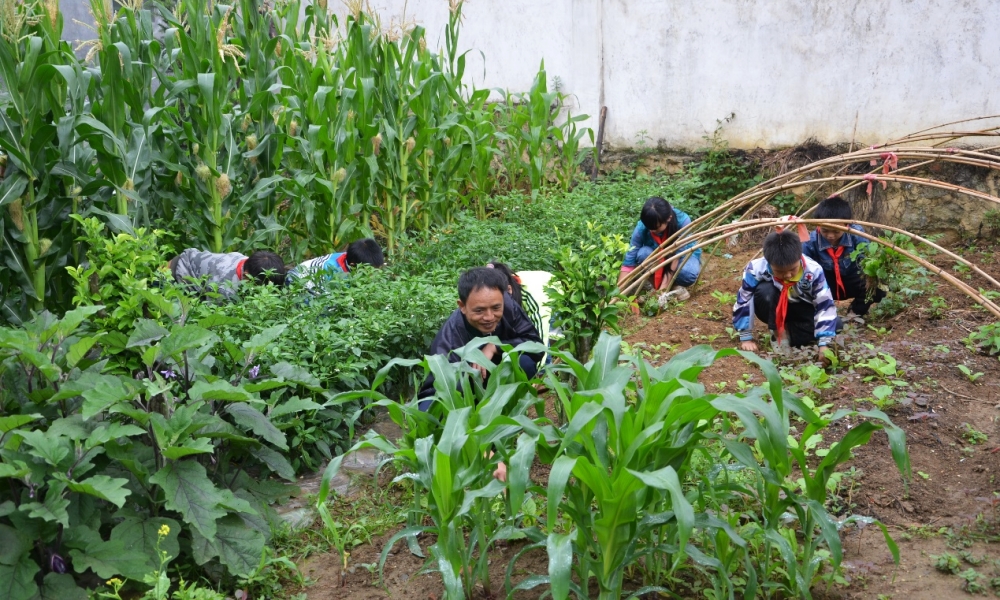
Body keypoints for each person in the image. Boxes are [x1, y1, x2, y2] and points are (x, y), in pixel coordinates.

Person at [418, 267, 543, 410]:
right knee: (431, 407)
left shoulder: (509, 307)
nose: (489, 317)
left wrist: (495, 346)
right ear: (462, 306)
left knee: (524, 362)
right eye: (479, 310)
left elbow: (536, 347)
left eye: (496, 308)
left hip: (498, 376)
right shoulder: (450, 337)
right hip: (469, 388)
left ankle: (508, 408)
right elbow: (436, 388)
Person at [733, 229, 838, 362]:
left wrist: (824, 343)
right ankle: (778, 333)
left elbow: (824, 304)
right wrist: (746, 337)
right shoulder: (756, 268)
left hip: (800, 306)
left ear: (799, 257)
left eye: (793, 269)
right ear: (768, 262)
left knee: (837, 325)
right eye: (780, 271)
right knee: (766, 291)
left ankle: (790, 331)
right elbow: (744, 299)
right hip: (771, 305)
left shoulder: (813, 271)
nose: (788, 275)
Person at [802, 196, 886, 318]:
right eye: (825, 231)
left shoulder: (856, 235)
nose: (830, 236)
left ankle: (856, 312)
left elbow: (869, 259)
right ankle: (822, 314)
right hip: (826, 284)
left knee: (878, 285)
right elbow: (801, 268)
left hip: (852, 280)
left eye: (836, 231)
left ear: (847, 225)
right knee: (803, 287)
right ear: (817, 225)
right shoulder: (811, 242)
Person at [618, 197, 701, 300]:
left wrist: (663, 290)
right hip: (657, 256)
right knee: (643, 253)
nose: (652, 231)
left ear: (669, 218)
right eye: (649, 228)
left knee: (688, 273)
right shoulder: (643, 226)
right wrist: (618, 294)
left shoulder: (682, 221)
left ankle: (672, 285)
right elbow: (629, 260)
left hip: (681, 256)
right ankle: (658, 285)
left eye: (656, 228)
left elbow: (676, 256)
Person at [170, 249, 285, 299]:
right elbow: (214, 316)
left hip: (192, 259)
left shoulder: (249, 263)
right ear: (246, 276)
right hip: (177, 272)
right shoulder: (224, 289)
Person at [285, 238, 385, 288]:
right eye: (371, 271)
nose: (374, 275)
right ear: (353, 266)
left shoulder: (353, 257)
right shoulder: (334, 274)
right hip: (296, 282)